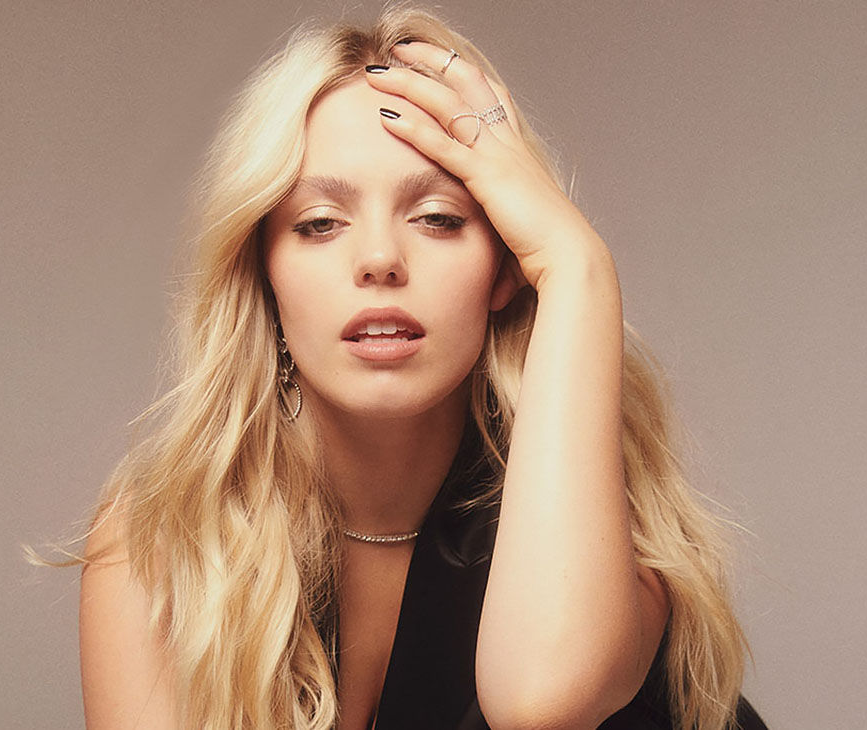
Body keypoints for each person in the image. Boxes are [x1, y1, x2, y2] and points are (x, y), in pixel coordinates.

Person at [72, 7, 766, 730]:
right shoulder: (164, 539)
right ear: (263, 277)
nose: (379, 259)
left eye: (437, 217)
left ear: (506, 268)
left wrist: (575, 265)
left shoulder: (601, 534)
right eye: (319, 223)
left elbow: (540, 701)